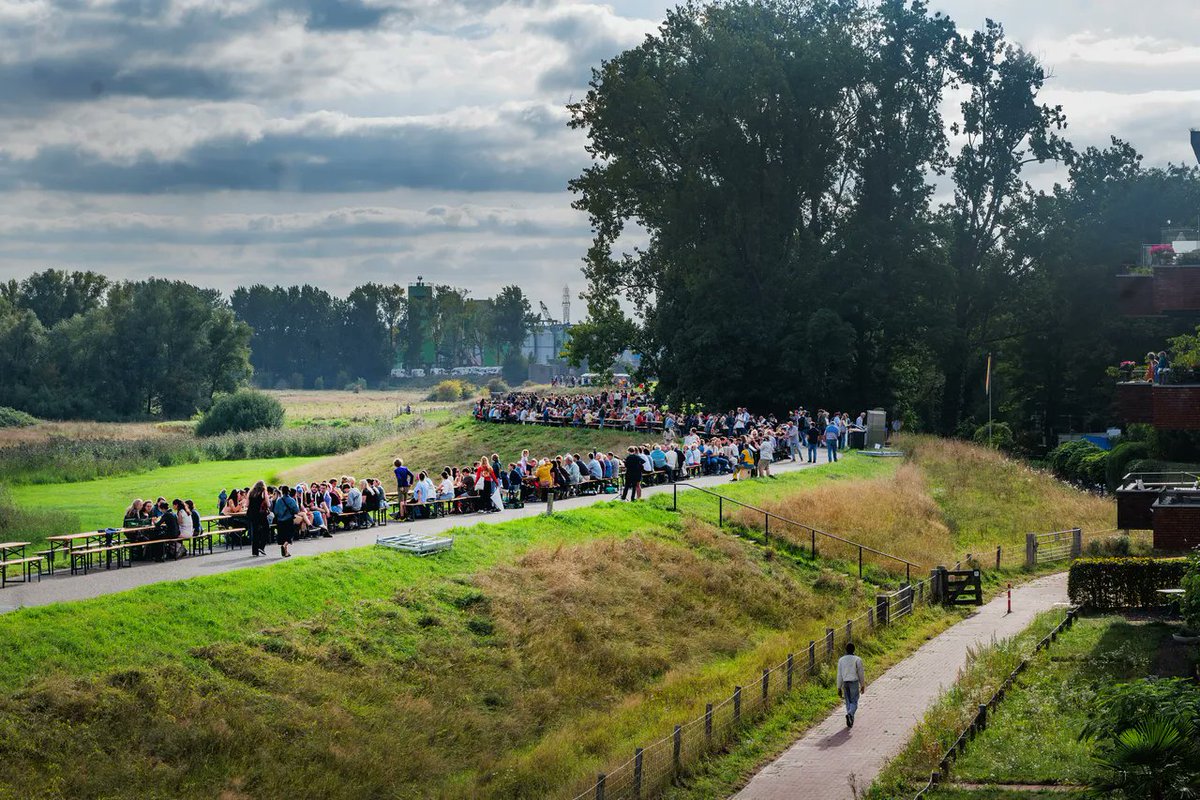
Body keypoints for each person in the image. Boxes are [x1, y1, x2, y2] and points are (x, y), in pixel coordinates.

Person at [837, 642, 866, 728]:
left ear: (845, 650)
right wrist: (862, 685)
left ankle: (850, 717)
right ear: (854, 650)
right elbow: (861, 673)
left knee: (848, 701)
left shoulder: (841, 660)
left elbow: (839, 674)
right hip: (854, 682)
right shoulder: (857, 659)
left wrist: (839, 687)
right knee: (854, 701)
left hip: (845, 682)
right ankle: (850, 714)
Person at [273, 485, 300, 557]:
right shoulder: (291, 500)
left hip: (280, 521)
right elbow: (296, 510)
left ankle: (286, 552)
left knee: (283, 536)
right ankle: (284, 546)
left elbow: (275, 511)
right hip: (288, 520)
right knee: (290, 535)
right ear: (288, 492)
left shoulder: (279, 500)